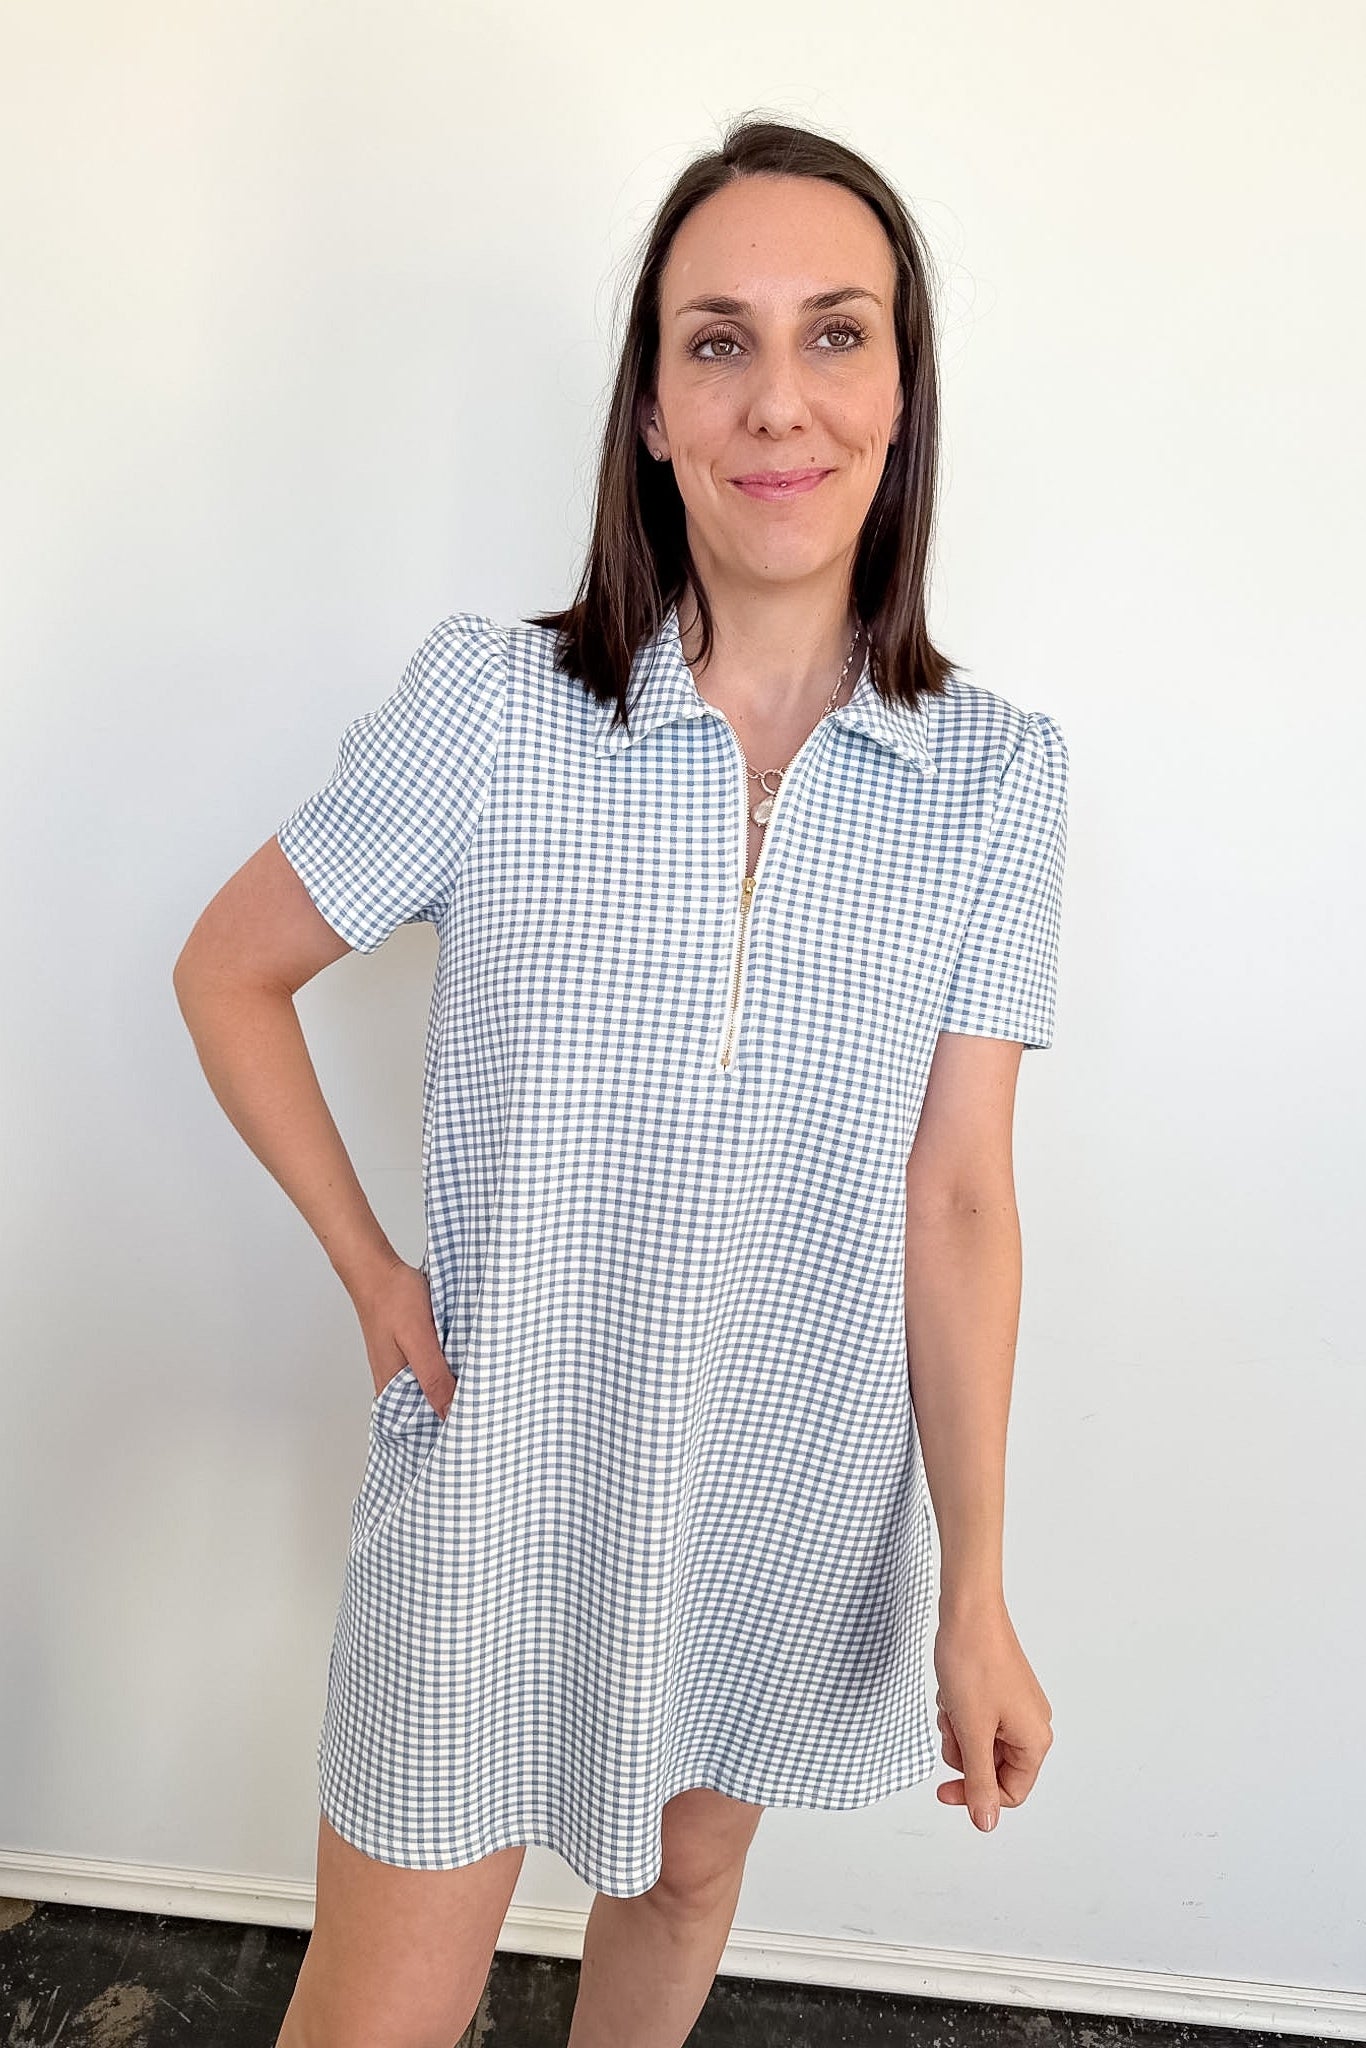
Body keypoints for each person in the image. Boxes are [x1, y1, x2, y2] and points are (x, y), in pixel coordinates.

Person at [174, 112, 1069, 2048]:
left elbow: (960, 1195)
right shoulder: (494, 709)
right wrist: (367, 1266)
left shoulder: (994, 772)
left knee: (674, 1895)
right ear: (651, 409)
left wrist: (977, 1585)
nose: (778, 400)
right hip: (494, 1466)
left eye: (835, 336)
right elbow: (233, 970)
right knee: (385, 1999)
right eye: (714, 339)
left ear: (902, 394)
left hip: (782, 1484)